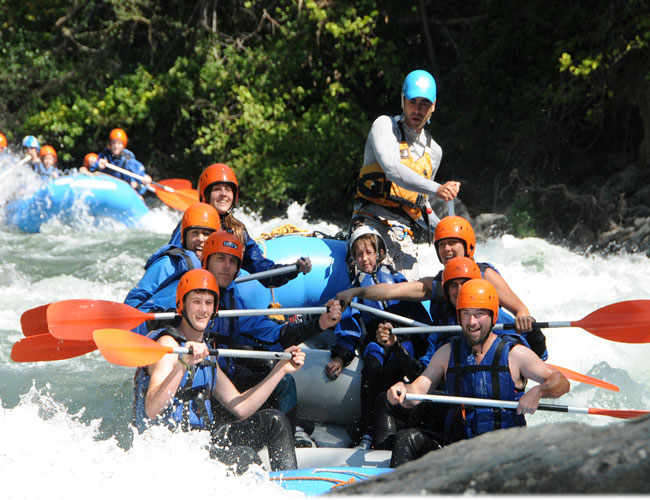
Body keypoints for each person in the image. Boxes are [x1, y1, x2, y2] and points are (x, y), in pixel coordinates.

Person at [133, 268, 303, 473]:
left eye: (208, 302)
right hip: (170, 448)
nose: (203, 310)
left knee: (275, 421)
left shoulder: (206, 353)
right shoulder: (168, 347)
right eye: (196, 302)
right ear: (182, 305)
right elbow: (152, 410)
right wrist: (183, 364)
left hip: (202, 440)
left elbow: (240, 407)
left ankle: (288, 486)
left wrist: (280, 370)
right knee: (244, 456)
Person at [386, 279, 570, 467]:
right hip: (460, 449)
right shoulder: (446, 353)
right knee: (406, 439)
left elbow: (561, 382)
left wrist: (538, 391)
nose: (472, 322)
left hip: (506, 452)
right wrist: (402, 391)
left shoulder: (515, 354)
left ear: (493, 316)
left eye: (479, 314)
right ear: (459, 317)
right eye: (466, 314)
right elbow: (416, 391)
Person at [202, 229, 342, 447]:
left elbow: (270, 332)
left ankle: (289, 434)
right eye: (220, 259)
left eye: (232, 261)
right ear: (206, 261)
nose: (227, 266)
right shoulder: (191, 291)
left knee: (281, 378)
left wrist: (318, 324)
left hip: (225, 379)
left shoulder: (231, 298)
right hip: (204, 383)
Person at [337, 215, 538, 336]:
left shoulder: (485, 275)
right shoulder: (436, 283)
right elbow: (392, 290)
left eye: (452, 243)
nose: (446, 249)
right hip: (450, 352)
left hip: (486, 346)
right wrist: (355, 291)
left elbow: (521, 310)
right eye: (441, 245)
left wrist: (523, 318)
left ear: (468, 246)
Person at [324, 225, 430, 450]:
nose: (364, 259)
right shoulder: (353, 290)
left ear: (379, 253)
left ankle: (415, 422)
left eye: (369, 252)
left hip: (403, 339)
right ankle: (368, 430)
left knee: (410, 364)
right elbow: (349, 328)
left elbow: (419, 318)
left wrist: (418, 342)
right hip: (375, 342)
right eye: (359, 254)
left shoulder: (398, 280)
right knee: (373, 364)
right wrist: (340, 358)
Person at [351, 69, 461, 280]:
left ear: (434, 107)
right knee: (369, 263)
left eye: (424, 104)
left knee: (406, 292)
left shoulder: (434, 152)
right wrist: (438, 188)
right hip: (369, 221)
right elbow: (393, 170)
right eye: (413, 102)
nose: (417, 110)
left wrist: (448, 232)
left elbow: (421, 204)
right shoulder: (384, 126)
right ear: (403, 100)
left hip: (403, 233)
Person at [169, 162, 311, 288]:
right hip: (194, 293)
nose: (224, 194)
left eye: (228, 189)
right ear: (206, 194)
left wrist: (293, 269)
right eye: (217, 189)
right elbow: (173, 260)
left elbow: (261, 269)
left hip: (225, 297)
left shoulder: (237, 230)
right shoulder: (190, 223)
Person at [125, 202, 221, 318]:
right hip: (158, 325)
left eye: (206, 234)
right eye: (194, 233)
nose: (200, 239)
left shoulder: (220, 268)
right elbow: (133, 302)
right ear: (184, 237)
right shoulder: (169, 263)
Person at [90, 128, 152, 194]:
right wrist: (98, 166)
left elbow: (137, 168)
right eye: (114, 143)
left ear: (123, 145)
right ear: (110, 144)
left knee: (135, 185)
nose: (116, 146)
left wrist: (145, 176)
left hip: (123, 188)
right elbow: (91, 169)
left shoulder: (127, 157)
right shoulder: (104, 155)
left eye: (119, 144)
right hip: (107, 188)